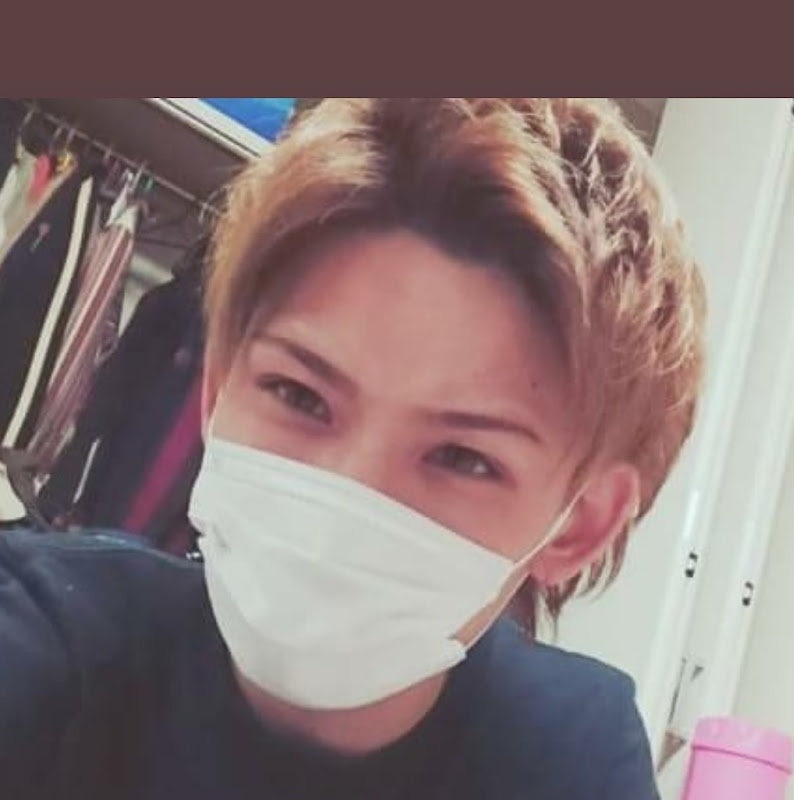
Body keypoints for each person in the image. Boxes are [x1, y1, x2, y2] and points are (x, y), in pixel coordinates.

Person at [0, 98, 705, 799]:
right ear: (216, 393)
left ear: (580, 524)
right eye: (299, 395)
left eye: (464, 457)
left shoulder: (572, 749)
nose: (348, 488)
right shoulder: (48, 635)